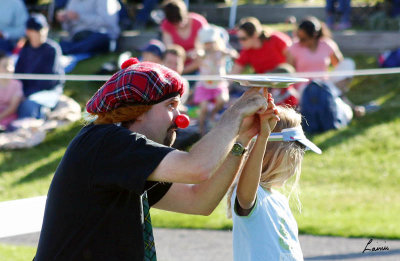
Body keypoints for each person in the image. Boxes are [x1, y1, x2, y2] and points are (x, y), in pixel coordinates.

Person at [34, 57, 275, 260]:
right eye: (171, 105)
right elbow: (197, 168)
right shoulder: (107, 143)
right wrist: (233, 114)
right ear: (138, 110)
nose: (179, 118)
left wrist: (242, 139)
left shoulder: (122, 152)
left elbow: (199, 201)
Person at [227, 105, 322, 261]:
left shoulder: (278, 200)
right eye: (297, 152)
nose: (298, 160)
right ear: (277, 153)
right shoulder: (254, 194)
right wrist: (263, 137)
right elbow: (245, 194)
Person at [15, 13, 64, 119]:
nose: (41, 33)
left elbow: (48, 81)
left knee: (29, 104)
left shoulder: (52, 49)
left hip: (49, 92)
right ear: (28, 32)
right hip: (25, 93)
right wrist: (18, 93)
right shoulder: (25, 50)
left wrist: (25, 94)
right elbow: (18, 75)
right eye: (36, 30)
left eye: (42, 29)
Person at [193, 26, 235, 136]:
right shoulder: (201, 54)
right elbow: (195, 56)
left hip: (218, 84)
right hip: (204, 85)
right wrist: (199, 54)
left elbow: (233, 54)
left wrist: (228, 52)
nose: (209, 45)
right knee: (203, 108)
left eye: (211, 42)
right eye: (206, 43)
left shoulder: (220, 52)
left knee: (222, 99)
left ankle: (212, 115)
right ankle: (201, 129)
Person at [286, 16, 343, 93]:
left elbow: (340, 66)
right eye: (299, 38)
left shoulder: (327, 44)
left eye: (303, 39)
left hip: (324, 87)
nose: (300, 41)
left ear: (314, 35)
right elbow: (289, 71)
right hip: (303, 90)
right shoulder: (294, 47)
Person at [56, 0, 121, 55]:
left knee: (99, 38)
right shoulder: (72, 1)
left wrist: (80, 17)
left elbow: (107, 22)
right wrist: (65, 20)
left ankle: (68, 50)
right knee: (61, 44)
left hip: (97, 35)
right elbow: (67, 29)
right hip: (78, 38)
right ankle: (70, 50)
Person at [161, 0, 208, 74]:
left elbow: (201, 49)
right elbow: (170, 49)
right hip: (175, 66)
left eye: (180, 21)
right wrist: (185, 55)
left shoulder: (199, 23)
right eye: (175, 23)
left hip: (196, 66)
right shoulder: (166, 25)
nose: (180, 25)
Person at [0, 52, 23, 131]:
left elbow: (12, 107)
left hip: (8, 117)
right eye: (5, 66)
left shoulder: (17, 84)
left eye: (11, 66)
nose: (9, 69)